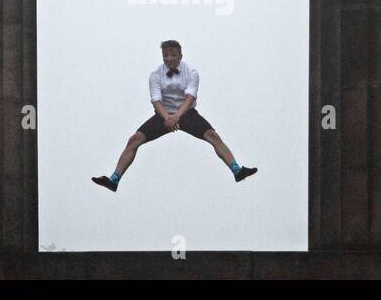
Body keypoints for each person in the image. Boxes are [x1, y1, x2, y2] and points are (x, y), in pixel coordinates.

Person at [91, 40, 257, 192]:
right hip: (163, 114)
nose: (169, 59)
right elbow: (155, 100)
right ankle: (114, 180)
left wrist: (177, 116)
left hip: (186, 113)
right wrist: (168, 118)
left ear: (180, 56)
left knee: (213, 136)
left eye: (173, 55)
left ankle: (237, 170)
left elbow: (190, 96)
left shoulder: (191, 72)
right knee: (134, 139)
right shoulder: (156, 74)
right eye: (165, 56)